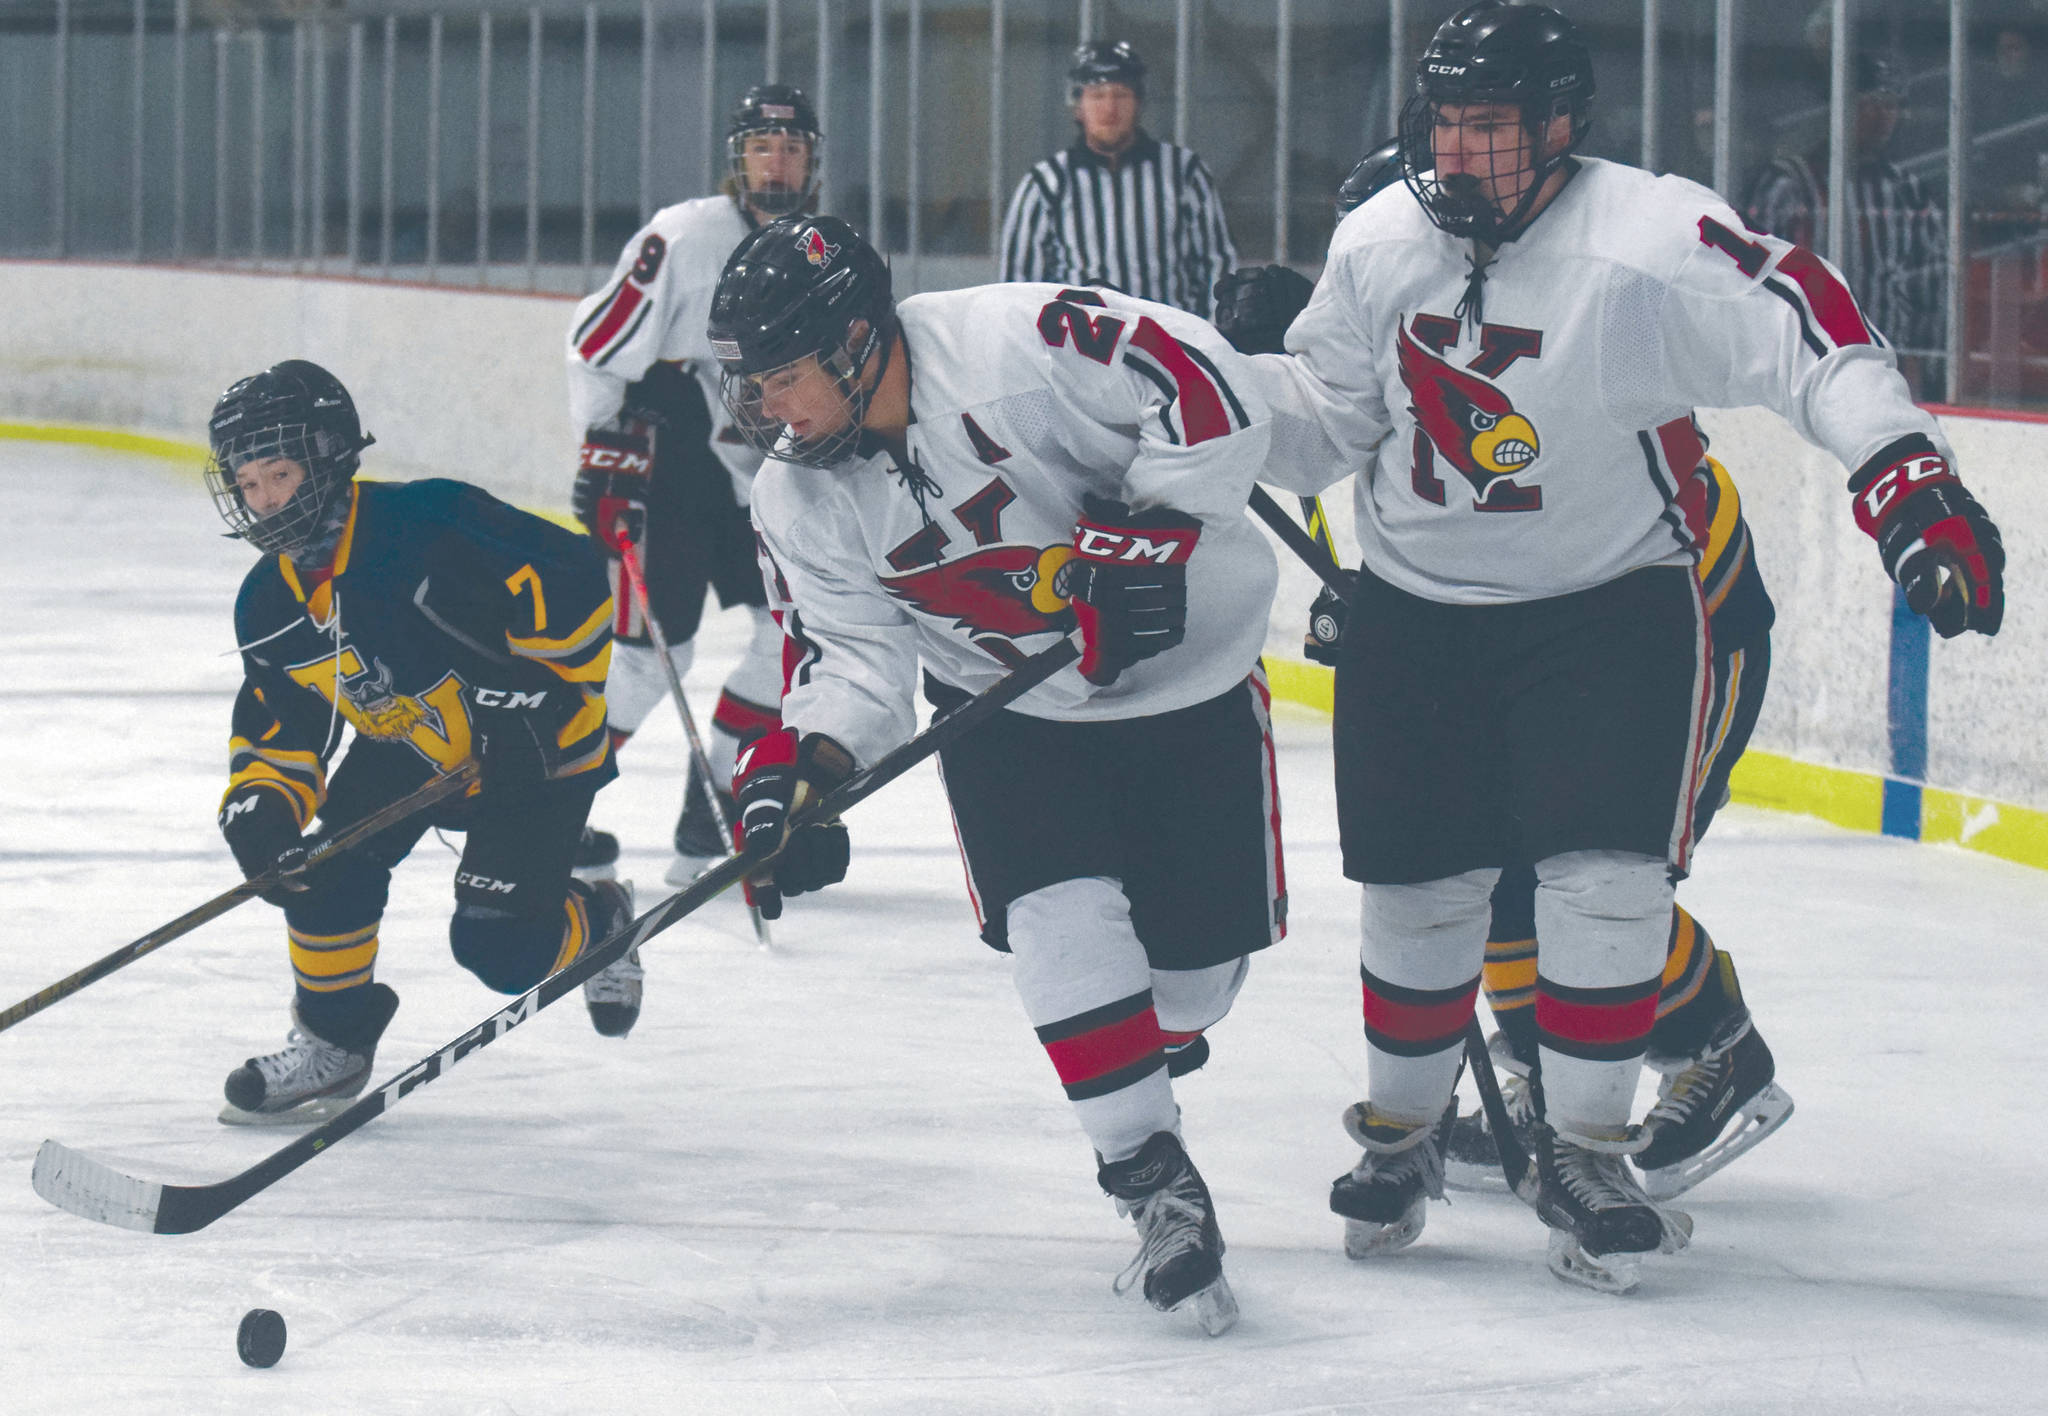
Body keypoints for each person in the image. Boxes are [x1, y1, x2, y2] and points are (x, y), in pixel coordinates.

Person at [1243, 1, 2003, 1293]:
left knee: (1594, 885)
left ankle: (1614, 1126)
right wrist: (1214, 408)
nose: (1460, 152)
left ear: (1556, 126)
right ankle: (1411, 1131)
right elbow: (1328, 423)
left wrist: (1907, 481)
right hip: (1427, 613)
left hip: (1621, 607)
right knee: (1434, 891)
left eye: (1489, 126)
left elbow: (1806, 329)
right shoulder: (1379, 241)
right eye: (1445, 123)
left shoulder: (1643, 238)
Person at [705, 215, 1287, 1334]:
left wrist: (1151, 536)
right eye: (754, 386)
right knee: (1061, 932)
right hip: (1005, 720)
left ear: (858, 342)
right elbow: (853, 659)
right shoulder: (796, 495)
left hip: (1191, 695)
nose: (768, 411)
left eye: (782, 379)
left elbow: (1200, 378)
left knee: (1187, 987)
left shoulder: (1016, 344)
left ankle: (1142, 1046)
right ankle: (1152, 1183)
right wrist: (803, 771)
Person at [1215, 143, 1796, 1203]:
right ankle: (1541, 1081)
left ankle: (1720, 1050)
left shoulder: (1547, 314)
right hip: (1529, 634)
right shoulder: (1406, 294)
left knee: (1579, 866)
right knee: (1486, 874)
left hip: (1678, 624)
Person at [207, 360, 641, 1125]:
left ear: (330, 456)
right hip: (412, 748)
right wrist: (261, 804)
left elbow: (570, 576)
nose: (267, 501)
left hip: (531, 754)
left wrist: (540, 690)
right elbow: (283, 721)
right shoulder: (268, 601)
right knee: (321, 871)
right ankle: (334, 1046)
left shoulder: (430, 521)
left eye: (279, 473)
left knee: (501, 952)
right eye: (249, 485)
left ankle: (599, 920)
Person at [566, 84, 820, 888]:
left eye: (791, 149)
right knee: (649, 660)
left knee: (792, 637)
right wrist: (601, 452)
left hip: (767, 476)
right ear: (736, 160)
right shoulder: (682, 235)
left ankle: (715, 804)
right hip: (670, 463)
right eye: (761, 149)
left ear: (811, 161)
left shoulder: (822, 251)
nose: (776, 164)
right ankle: (553, 808)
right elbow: (595, 345)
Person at [1744, 54, 1948, 399]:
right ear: (1837, 108)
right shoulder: (1789, 185)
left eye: (1890, 105)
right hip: (1802, 366)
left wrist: (1922, 361)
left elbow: (1930, 281)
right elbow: (1755, 282)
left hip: (1884, 368)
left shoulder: (1907, 189)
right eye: (1868, 104)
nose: (1882, 116)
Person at [997, 40, 1237, 318]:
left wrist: (1207, 338)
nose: (1110, 108)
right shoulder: (1046, 184)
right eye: (1097, 95)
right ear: (1077, 106)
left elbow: (1217, 265)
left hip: (1169, 346)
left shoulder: (1184, 173)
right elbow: (1017, 287)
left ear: (1139, 103)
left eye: (1121, 95)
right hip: (1078, 350)